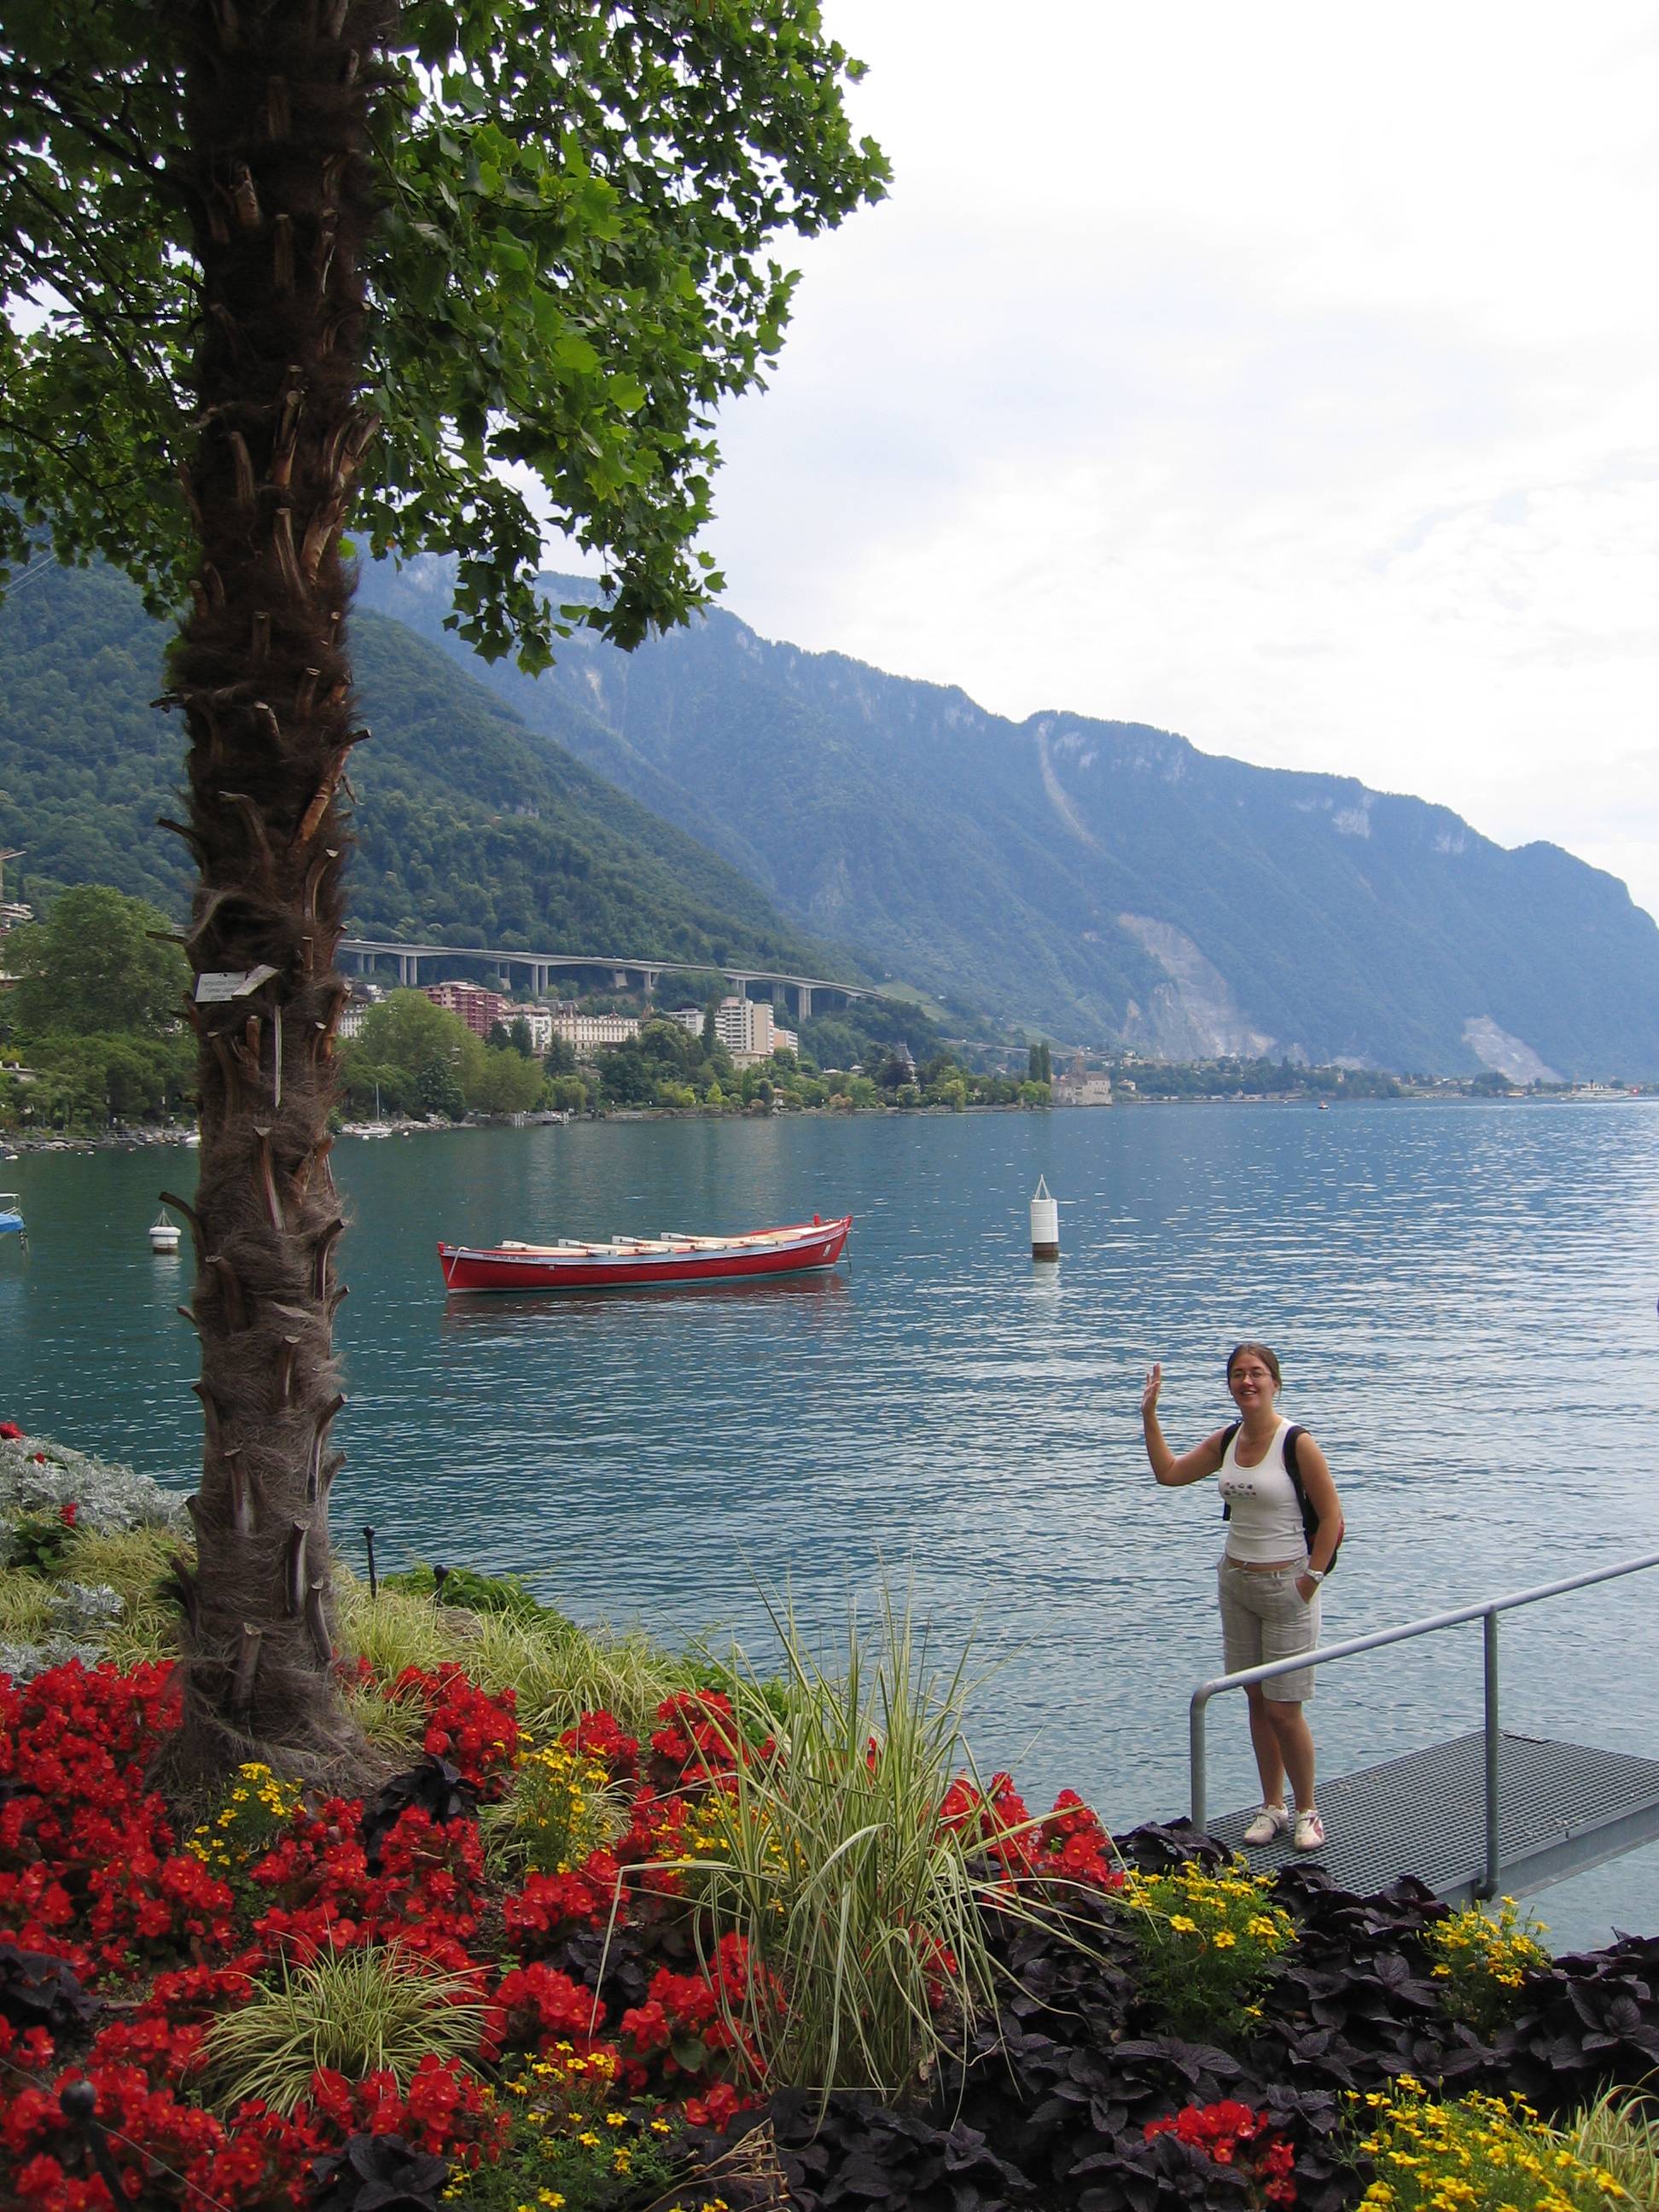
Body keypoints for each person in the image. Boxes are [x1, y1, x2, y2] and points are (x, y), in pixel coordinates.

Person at [1140, 1342, 1343, 1852]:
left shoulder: (1296, 1443)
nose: (1246, 1382)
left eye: (1256, 1374)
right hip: (1236, 1582)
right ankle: (1272, 1807)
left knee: (1285, 1708)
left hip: (1288, 1588)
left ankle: (1307, 1811)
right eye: (1237, 1375)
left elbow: (1333, 1519)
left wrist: (1310, 1580)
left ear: (1275, 1382)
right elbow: (1169, 1474)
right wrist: (1150, 1417)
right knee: (1256, 1699)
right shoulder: (1228, 1440)